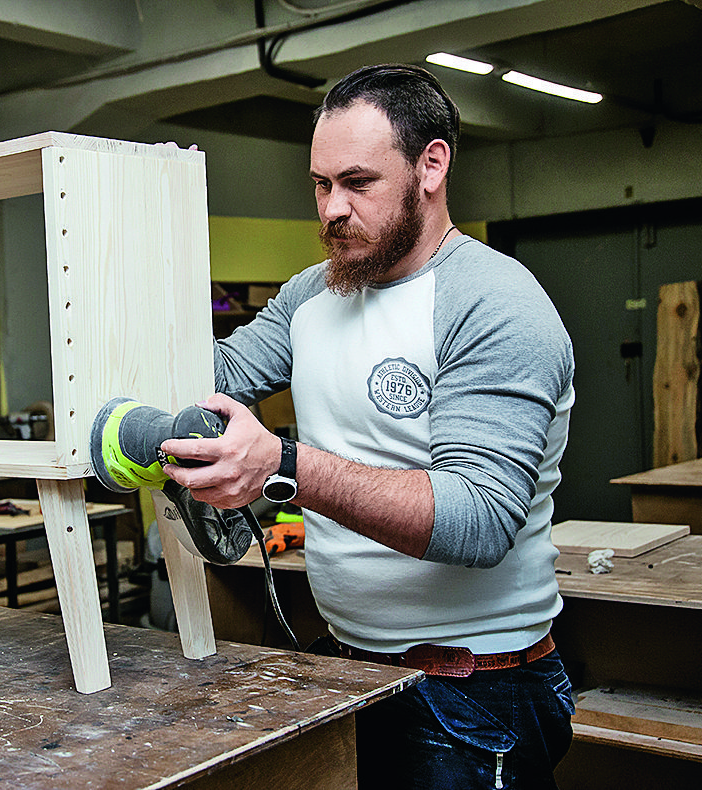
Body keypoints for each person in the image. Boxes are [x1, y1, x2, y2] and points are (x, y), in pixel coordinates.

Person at [160, 63, 576, 789]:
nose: (331, 209)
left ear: (431, 165)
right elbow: (207, 385)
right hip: (350, 668)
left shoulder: (496, 303)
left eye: (357, 183)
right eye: (320, 185)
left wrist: (282, 466)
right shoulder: (309, 296)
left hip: (472, 694)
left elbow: (475, 520)